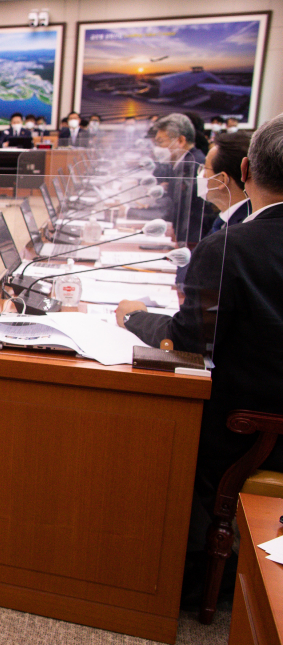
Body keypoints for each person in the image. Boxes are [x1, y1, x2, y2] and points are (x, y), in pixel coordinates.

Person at [115, 114, 283, 599]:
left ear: (246, 170)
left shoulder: (230, 246)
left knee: (140, 409)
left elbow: (189, 342)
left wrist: (134, 317)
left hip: (247, 428)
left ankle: (168, 567)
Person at [199, 131, 253, 236]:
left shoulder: (242, 229)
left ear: (222, 179)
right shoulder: (227, 219)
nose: (202, 175)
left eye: (205, 168)